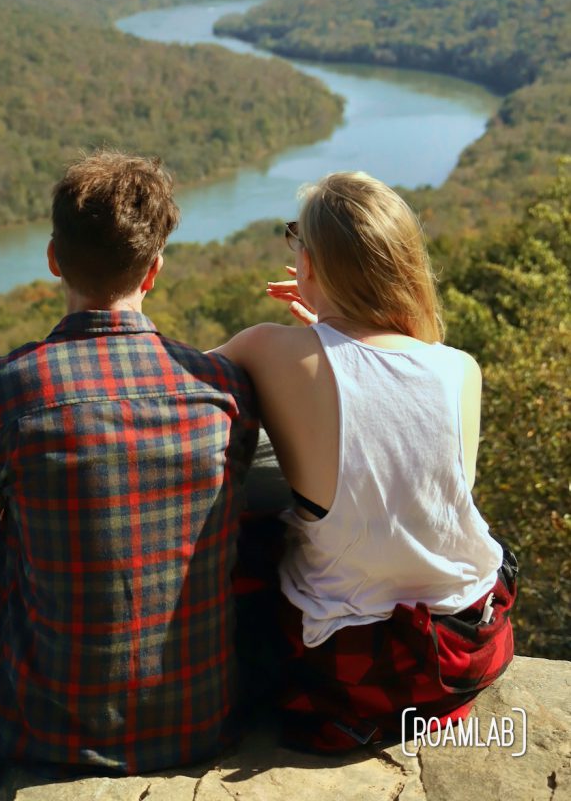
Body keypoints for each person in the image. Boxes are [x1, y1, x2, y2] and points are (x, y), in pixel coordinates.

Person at [0, 149, 258, 774]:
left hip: (32, 732)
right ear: (154, 271)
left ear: (54, 259)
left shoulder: (6, 390)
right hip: (199, 722)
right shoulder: (223, 387)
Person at [216, 170, 517, 753]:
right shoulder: (460, 368)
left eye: (295, 240)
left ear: (310, 265)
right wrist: (323, 329)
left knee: (252, 519)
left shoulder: (267, 349)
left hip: (350, 671)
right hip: (463, 651)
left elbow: (167, 389)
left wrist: (313, 336)